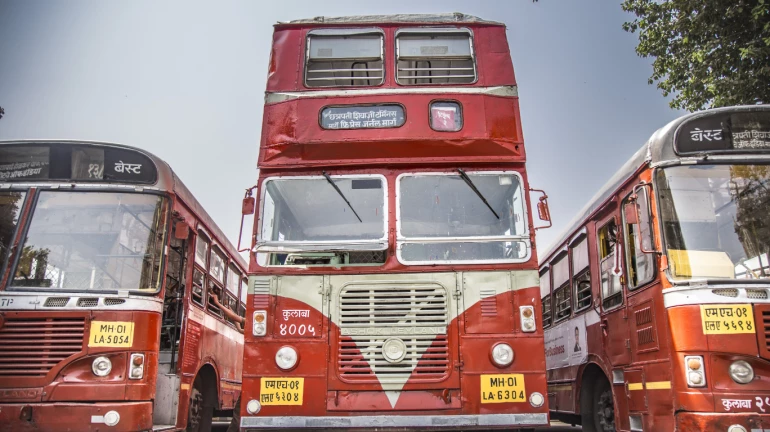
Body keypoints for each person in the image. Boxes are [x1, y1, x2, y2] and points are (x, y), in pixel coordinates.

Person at [210, 292, 244, 432]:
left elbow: (237, 319)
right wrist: (230, 311)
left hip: (252, 378)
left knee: (238, 412)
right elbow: (240, 328)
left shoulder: (258, 320)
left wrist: (218, 304)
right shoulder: (262, 325)